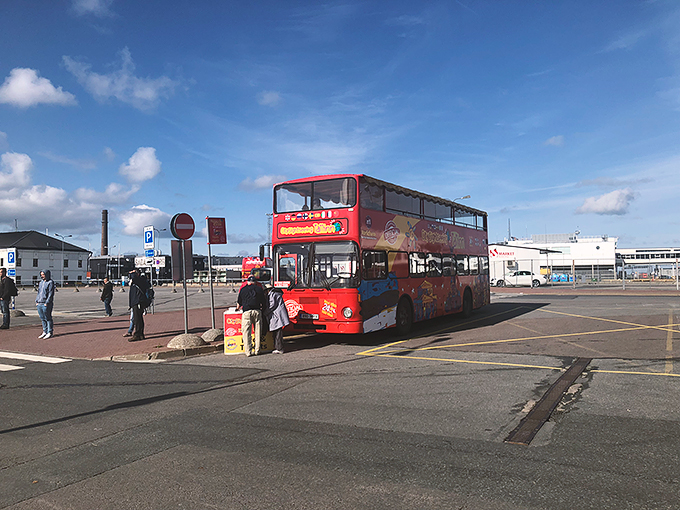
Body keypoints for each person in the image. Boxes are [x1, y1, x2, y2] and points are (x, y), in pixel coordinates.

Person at [236, 275, 266, 356]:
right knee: (258, 331)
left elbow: (239, 303)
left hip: (246, 312)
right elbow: (263, 302)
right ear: (255, 282)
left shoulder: (243, 290)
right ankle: (257, 350)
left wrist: (237, 308)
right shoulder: (259, 289)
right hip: (257, 311)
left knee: (246, 332)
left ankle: (248, 351)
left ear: (248, 282)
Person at [265, 286, 290, 354]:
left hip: (277, 315)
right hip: (279, 314)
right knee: (278, 331)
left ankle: (279, 348)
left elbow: (272, 305)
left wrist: (265, 312)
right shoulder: (277, 293)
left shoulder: (273, 294)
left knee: (277, 333)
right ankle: (278, 347)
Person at [128, 269, 151, 342]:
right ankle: (140, 334)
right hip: (138, 301)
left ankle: (137, 334)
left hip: (138, 302)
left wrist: (132, 273)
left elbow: (132, 277)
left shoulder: (139, 280)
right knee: (139, 318)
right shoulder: (140, 281)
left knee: (137, 319)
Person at [36, 270, 55, 339]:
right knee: (42, 318)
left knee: (48, 318)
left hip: (46, 303)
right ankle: (45, 331)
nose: (42, 276)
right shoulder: (41, 283)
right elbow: (39, 292)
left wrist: (47, 302)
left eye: (43, 274)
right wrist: (37, 301)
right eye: (41, 274)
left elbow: (50, 293)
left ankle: (49, 331)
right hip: (39, 302)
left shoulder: (50, 282)